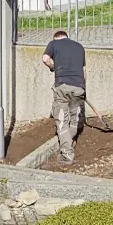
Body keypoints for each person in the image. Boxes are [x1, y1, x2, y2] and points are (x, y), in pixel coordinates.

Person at [41, 30, 87, 164]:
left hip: (62, 86)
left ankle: (67, 154)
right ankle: (69, 140)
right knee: (74, 120)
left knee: (61, 120)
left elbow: (45, 59)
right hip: (79, 87)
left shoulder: (54, 44)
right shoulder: (79, 47)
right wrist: (83, 88)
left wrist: (53, 67)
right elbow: (84, 70)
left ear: (56, 38)